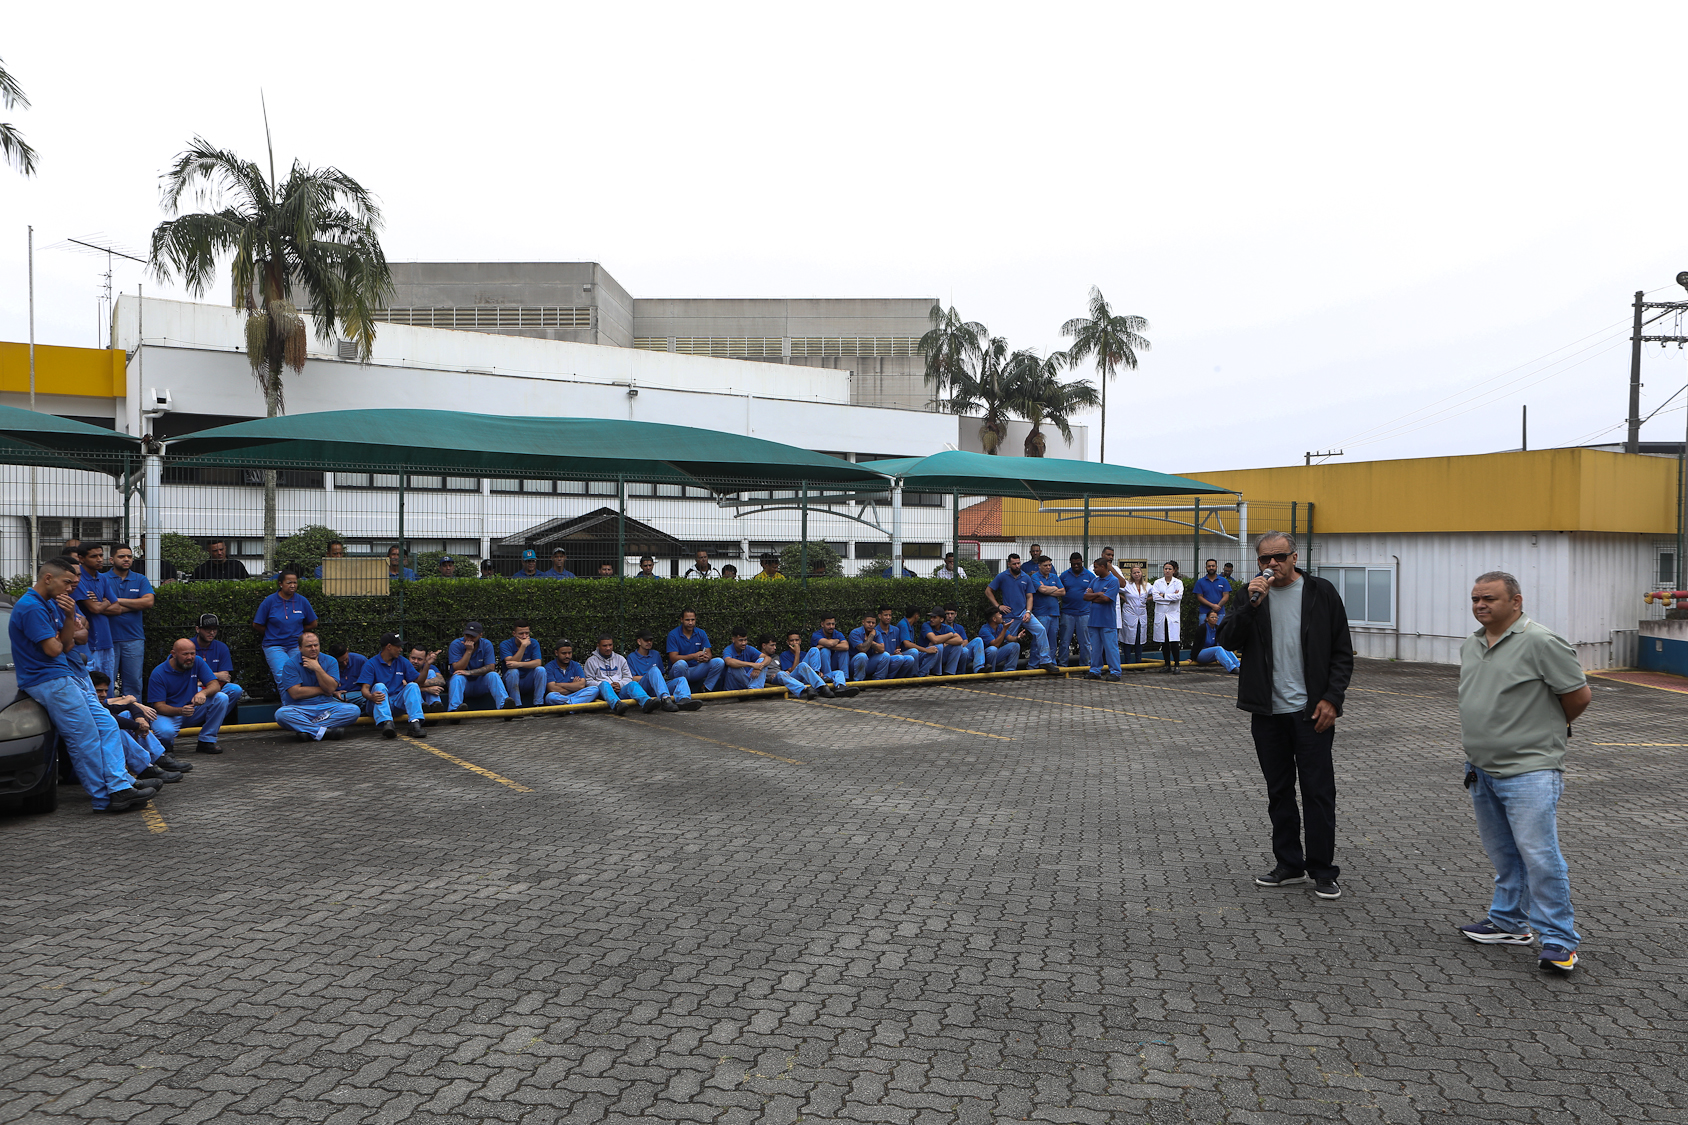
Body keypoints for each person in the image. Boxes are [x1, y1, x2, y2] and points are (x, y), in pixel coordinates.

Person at [1456, 571, 1592, 973]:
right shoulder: (1472, 644)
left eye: (1490, 598)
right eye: (1476, 599)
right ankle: (1508, 923)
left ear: (1516, 602)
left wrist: (1543, 731)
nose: (1480, 605)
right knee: (1505, 854)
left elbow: (1578, 696)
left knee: (1540, 856)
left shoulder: (1542, 642)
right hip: (1481, 769)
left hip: (1530, 770)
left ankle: (1559, 940)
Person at [1218, 531, 1354, 901]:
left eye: (1279, 556)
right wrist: (1251, 605)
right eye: (1265, 558)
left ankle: (1322, 869)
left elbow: (1342, 652)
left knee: (1318, 792)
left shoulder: (1321, 592)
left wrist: (1332, 699)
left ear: (1295, 557)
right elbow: (1227, 640)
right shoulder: (1251, 594)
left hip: (1312, 713)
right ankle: (1289, 864)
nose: (1272, 564)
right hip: (1268, 713)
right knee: (1279, 792)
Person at [9, 558, 152, 812]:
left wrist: (67, 617)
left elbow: (67, 645)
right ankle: (105, 798)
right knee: (84, 737)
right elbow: (54, 650)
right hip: (49, 681)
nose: (71, 587)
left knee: (107, 725)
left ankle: (121, 784)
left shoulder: (52, 603)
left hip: (64, 677)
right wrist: (64, 629)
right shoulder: (31, 607)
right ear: (48, 578)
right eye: (67, 582)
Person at [91, 670, 185, 783]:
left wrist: (139, 719)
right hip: (85, 760)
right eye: (99, 691)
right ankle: (145, 768)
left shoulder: (99, 704)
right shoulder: (87, 706)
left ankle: (158, 757)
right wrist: (137, 726)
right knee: (117, 731)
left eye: (106, 691)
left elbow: (129, 706)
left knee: (127, 714)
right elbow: (111, 720)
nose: (103, 694)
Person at [147, 637, 233, 754]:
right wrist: (180, 711)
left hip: (191, 708)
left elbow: (214, 685)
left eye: (192, 653)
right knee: (165, 733)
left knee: (221, 698)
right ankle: (166, 747)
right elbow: (159, 706)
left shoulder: (197, 661)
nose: (190, 657)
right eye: (185, 654)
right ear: (173, 654)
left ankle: (206, 741)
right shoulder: (159, 673)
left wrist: (203, 693)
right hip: (168, 713)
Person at [275, 631, 363, 742]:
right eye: (309, 646)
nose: (313, 648)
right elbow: (295, 693)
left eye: (316, 645)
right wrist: (323, 690)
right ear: (300, 648)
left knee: (354, 710)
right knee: (281, 714)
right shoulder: (290, 664)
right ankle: (325, 732)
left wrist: (317, 668)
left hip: (326, 706)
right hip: (300, 708)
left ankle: (308, 730)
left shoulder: (330, 661)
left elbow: (330, 689)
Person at [986, 553, 1057, 672]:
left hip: (1024, 613)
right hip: (1009, 616)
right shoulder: (1002, 576)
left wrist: (1028, 612)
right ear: (1009, 564)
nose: (1017, 566)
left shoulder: (1026, 577)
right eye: (1014, 564)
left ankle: (1045, 661)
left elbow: (1029, 597)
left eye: (1018, 563)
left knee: (1041, 630)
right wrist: (998, 606)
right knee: (1009, 642)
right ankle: (1006, 669)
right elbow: (988, 591)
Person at [251, 571, 318, 693]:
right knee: (283, 675)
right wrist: (272, 632)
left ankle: (301, 702)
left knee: (300, 674)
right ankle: (288, 703)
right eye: (289, 582)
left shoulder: (302, 601)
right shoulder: (270, 601)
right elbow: (257, 624)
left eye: (295, 582)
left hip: (295, 645)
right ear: (280, 584)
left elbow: (313, 623)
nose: (293, 585)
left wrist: (298, 632)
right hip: (274, 645)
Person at [103, 545, 155, 698]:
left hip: (134, 638)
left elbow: (148, 602)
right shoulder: (102, 579)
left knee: (134, 683)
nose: (126, 559)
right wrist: (134, 604)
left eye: (129, 556)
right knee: (106, 682)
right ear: (111, 560)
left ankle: (135, 712)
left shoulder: (140, 579)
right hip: (107, 639)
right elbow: (99, 607)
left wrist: (116, 600)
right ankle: (108, 712)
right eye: (121, 556)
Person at [357, 633, 427, 738]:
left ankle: (414, 723)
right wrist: (371, 696)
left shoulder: (402, 661)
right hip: (377, 705)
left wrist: (428, 664)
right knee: (379, 686)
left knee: (413, 686)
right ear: (389, 647)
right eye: (398, 646)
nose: (400, 649)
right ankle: (387, 723)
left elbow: (419, 682)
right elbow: (364, 689)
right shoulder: (371, 664)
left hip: (396, 703)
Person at [72, 544, 117, 681]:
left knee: (107, 686)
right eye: (94, 556)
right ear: (81, 558)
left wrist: (100, 603)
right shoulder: (77, 579)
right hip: (90, 644)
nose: (99, 559)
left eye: (101, 555)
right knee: (92, 686)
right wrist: (106, 602)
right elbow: (94, 609)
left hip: (106, 641)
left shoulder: (102, 578)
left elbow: (117, 608)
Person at [627, 629, 701, 712]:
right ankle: (665, 699)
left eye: (650, 640)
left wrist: (655, 677)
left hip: (657, 688)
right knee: (654, 670)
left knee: (681, 679)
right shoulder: (631, 657)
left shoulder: (656, 654)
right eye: (646, 640)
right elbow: (632, 678)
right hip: (643, 688)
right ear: (639, 641)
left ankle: (684, 700)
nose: (649, 642)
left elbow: (660, 675)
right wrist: (651, 676)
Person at [447, 621, 513, 712]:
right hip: (464, 684)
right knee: (457, 677)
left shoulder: (486, 644)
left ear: (480, 635)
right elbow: (457, 668)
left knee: (493, 675)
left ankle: (504, 706)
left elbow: (491, 667)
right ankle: (454, 710)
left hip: (480, 683)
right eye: (467, 635)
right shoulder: (456, 644)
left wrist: (469, 672)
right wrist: (468, 651)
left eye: (472, 636)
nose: (469, 639)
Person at [584, 634, 655, 715]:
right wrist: (609, 686)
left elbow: (628, 677)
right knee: (604, 684)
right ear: (598, 646)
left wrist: (620, 684)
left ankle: (647, 703)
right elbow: (588, 681)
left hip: (620, 691)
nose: (608, 648)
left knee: (633, 684)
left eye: (610, 645)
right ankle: (616, 706)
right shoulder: (591, 661)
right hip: (603, 693)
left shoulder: (620, 659)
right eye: (604, 646)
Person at [192, 614, 246, 712]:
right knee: (195, 689)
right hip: (196, 688)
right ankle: (200, 717)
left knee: (235, 689)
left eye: (214, 629)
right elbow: (187, 677)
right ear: (197, 629)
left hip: (216, 687)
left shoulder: (221, 647)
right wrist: (216, 675)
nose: (212, 632)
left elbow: (225, 677)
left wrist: (201, 679)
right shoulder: (188, 646)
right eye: (207, 629)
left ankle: (217, 715)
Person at [666, 610, 725, 691]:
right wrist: (693, 656)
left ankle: (705, 689)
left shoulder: (701, 633)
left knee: (719, 662)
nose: (690, 623)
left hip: (696, 669)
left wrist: (705, 657)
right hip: (679, 671)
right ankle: (681, 691)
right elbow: (673, 658)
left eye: (693, 620)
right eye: (687, 620)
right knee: (681, 664)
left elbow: (709, 653)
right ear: (681, 620)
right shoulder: (673, 635)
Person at [1084, 557, 1122, 681]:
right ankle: (1095, 670)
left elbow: (1106, 599)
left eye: (1096, 567)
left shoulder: (1113, 581)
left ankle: (1115, 672)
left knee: (1111, 648)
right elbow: (1085, 596)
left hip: (1107, 621)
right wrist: (1098, 594)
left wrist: (1093, 596)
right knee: (1095, 648)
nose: (1094, 570)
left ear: (1103, 567)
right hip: (1094, 620)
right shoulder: (1094, 581)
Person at [1057, 553, 1093, 668]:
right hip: (1067, 613)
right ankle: (1062, 665)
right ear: (1070, 563)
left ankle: (1085, 665)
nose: (1076, 566)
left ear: (1082, 562)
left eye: (1078, 563)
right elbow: (1058, 590)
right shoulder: (1064, 575)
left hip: (1084, 613)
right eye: (1073, 564)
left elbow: (1096, 592)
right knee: (1064, 642)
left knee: (1085, 642)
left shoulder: (1090, 576)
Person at [499, 621, 546, 707]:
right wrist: (523, 646)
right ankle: (516, 705)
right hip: (511, 680)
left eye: (527, 633)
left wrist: (519, 664)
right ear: (514, 633)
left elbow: (538, 662)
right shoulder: (505, 644)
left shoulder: (534, 643)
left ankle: (538, 704)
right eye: (521, 634)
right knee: (513, 672)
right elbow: (510, 663)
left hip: (528, 679)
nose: (524, 636)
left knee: (541, 670)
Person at [1150, 561, 1185, 674]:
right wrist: (1171, 597)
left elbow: (1178, 596)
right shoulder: (1157, 582)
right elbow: (1155, 597)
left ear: (1174, 570)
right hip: (1161, 615)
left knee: (1174, 641)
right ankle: (1167, 665)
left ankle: (1177, 665)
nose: (1167, 571)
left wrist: (1164, 595)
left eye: (1170, 569)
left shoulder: (1178, 583)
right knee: (1164, 641)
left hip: (1173, 616)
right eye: (1165, 569)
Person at [542, 640, 598, 706]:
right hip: (559, 696)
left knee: (594, 689)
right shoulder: (549, 667)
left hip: (574, 695)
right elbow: (552, 689)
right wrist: (573, 687)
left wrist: (559, 684)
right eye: (564, 653)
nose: (567, 656)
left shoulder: (576, 665)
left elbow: (581, 685)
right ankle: (574, 704)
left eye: (569, 653)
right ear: (556, 653)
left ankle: (568, 705)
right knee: (550, 697)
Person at [897, 606, 942, 677]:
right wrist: (926, 650)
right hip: (903, 653)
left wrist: (929, 650)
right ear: (916, 616)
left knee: (934, 650)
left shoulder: (911, 625)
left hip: (912, 653)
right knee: (914, 651)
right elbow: (907, 644)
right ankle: (914, 675)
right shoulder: (903, 624)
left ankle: (921, 674)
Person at [1119, 564, 1150, 666]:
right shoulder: (1127, 585)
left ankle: (1138, 662)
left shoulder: (1147, 585)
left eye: (1138, 572)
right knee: (1127, 638)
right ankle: (1128, 662)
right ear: (1131, 574)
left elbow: (1156, 593)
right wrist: (1124, 598)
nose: (1137, 574)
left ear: (1141, 573)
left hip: (1141, 615)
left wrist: (1146, 600)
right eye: (1134, 573)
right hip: (1129, 614)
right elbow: (1115, 589)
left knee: (1139, 638)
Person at [847, 612, 893, 680]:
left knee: (886, 655)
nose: (871, 625)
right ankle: (858, 681)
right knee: (862, 656)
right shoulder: (855, 633)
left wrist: (870, 640)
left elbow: (882, 649)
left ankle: (879, 680)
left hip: (869, 662)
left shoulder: (876, 633)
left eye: (873, 623)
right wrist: (871, 636)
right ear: (863, 622)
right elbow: (863, 649)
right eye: (868, 622)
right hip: (854, 665)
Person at [875, 606, 918, 677]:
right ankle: (889, 678)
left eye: (890, 615)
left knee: (910, 659)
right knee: (899, 658)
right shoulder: (875, 631)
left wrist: (897, 652)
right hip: (883, 659)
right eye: (886, 615)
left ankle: (900, 678)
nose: (888, 617)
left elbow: (898, 648)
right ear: (879, 616)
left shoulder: (896, 630)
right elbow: (876, 652)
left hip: (894, 657)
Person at [941, 607, 987, 675]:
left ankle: (979, 668)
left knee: (978, 640)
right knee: (964, 650)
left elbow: (965, 642)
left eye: (952, 614)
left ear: (955, 614)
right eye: (947, 614)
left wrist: (957, 644)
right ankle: (960, 673)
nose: (950, 616)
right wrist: (956, 644)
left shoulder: (959, 627)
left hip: (961, 652)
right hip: (947, 654)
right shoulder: (941, 627)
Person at [1032, 557, 1062, 654]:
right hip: (1041, 614)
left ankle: (1051, 661)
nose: (1048, 567)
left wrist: (1046, 589)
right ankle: (1035, 662)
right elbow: (1042, 590)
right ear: (1039, 566)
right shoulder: (1035, 577)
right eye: (1045, 565)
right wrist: (1054, 587)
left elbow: (1063, 592)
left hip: (1054, 614)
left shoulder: (1054, 577)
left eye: (1049, 565)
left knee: (1053, 641)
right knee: (1039, 641)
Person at [809, 614, 852, 680]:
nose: (831, 627)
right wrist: (836, 641)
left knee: (844, 651)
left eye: (833, 624)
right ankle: (827, 677)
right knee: (825, 651)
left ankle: (845, 678)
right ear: (822, 624)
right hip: (820, 667)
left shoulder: (837, 633)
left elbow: (846, 646)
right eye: (828, 624)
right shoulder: (816, 635)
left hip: (832, 662)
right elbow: (829, 644)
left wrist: (826, 645)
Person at [406, 645, 447, 710]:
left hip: (427, 697)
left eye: (419, 659)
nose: (415, 661)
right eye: (413, 658)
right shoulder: (404, 666)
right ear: (409, 656)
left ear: (425, 659)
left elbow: (441, 681)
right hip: (411, 700)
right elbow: (403, 688)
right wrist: (427, 689)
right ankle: (422, 706)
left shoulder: (430, 667)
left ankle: (435, 705)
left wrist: (420, 683)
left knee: (431, 672)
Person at [1195, 558, 1231, 625]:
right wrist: (1212, 606)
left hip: (1220, 613)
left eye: (1213, 566)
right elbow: (1199, 597)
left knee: (1220, 631)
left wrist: (1217, 606)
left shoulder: (1224, 581)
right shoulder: (1200, 582)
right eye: (1209, 566)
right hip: (1204, 613)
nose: (1211, 568)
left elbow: (1226, 596)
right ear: (1206, 567)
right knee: (1204, 631)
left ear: (1216, 567)